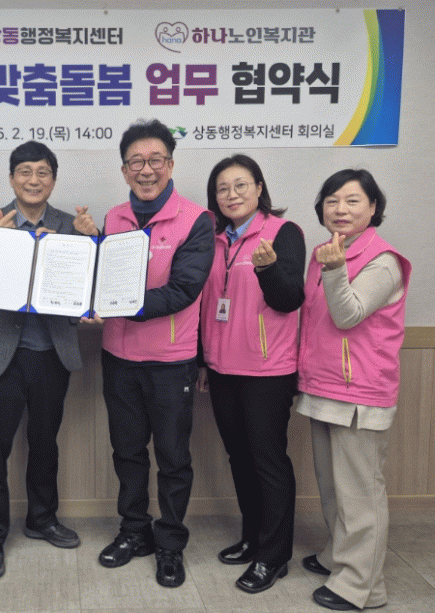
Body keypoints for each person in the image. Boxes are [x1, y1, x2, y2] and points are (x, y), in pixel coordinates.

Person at [0, 141, 98, 579]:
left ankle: (42, 519)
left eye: (42, 172)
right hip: (3, 355)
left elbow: (90, 287)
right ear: (11, 178)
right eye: (25, 172)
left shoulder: (71, 225)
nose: (33, 180)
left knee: (45, 443)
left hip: (53, 354)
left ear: (53, 180)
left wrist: (91, 241)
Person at [93, 119, 214, 588]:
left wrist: (119, 304)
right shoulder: (113, 218)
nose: (146, 170)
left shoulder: (196, 220)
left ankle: (170, 544)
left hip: (170, 361)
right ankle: (133, 532)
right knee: (127, 452)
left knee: (172, 457)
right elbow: (101, 275)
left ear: (170, 164)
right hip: (118, 357)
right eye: (136, 162)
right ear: (124, 170)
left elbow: (184, 289)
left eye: (155, 160)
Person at [296, 170, 411, 611]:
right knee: (333, 487)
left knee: (360, 492)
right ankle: (338, 558)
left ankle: (363, 586)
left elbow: (348, 315)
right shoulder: (328, 252)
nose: (340, 209)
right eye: (332, 201)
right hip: (324, 385)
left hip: (359, 392)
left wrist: (334, 268)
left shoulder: (383, 260)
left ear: (373, 207)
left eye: (352, 200)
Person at [198, 154, 305, 593]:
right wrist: (203, 361)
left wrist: (267, 268)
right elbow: (208, 304)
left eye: (241, 185)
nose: (232, 194)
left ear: (259, 188)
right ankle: (253, 537)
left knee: (268, 461)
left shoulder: (283, 232)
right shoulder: (214, 240)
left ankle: (274, 555)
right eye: (223, 188)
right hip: (222, 368)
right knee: (239, 458)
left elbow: (289, 299)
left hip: (267, 370)